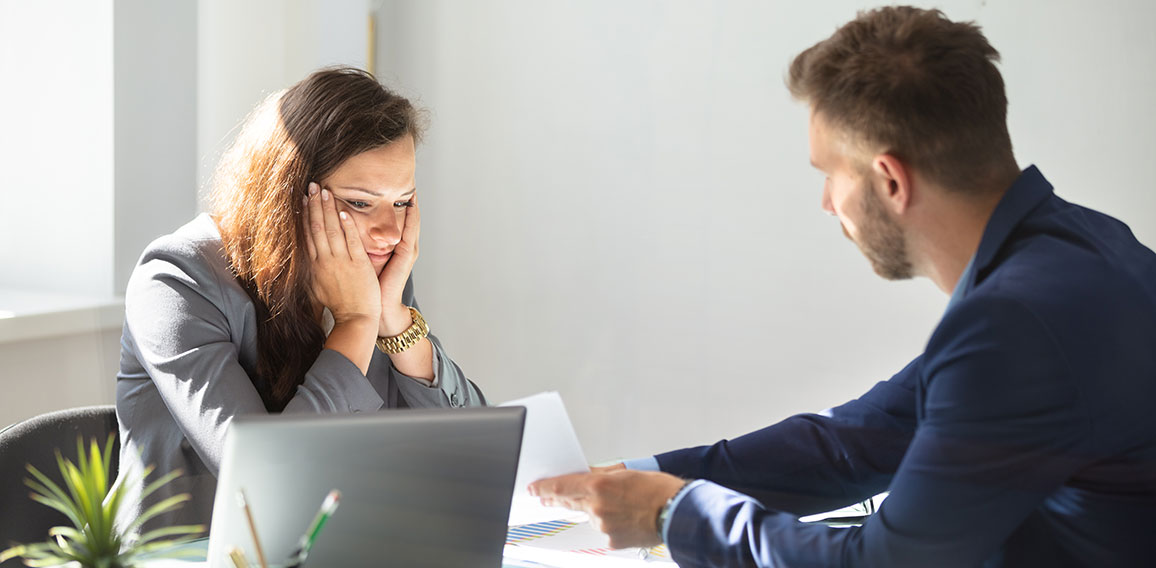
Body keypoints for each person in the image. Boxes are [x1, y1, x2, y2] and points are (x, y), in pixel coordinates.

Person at [530, 7, 1156, 566]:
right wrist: (638, 479)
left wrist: (673, 515)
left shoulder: (1014, 325)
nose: (827, 205)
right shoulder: (1085, 248)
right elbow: (855, 440)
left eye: (829, 174)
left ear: (889, 180)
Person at [114, 67, 486, 532]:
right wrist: (353, 323)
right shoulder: (174, 280)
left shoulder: (376, 273)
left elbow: (474, 456)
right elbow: (263, 482)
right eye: (360, 202)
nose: (391, 232)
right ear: (287, 195)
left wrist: (394, 321)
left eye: (403, 201)